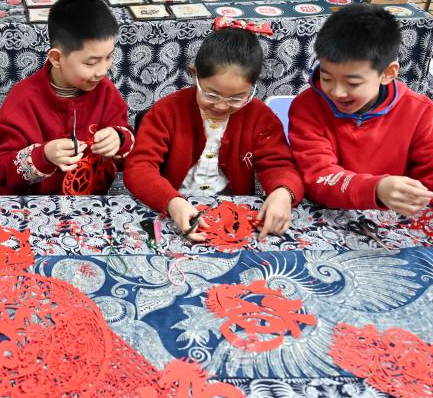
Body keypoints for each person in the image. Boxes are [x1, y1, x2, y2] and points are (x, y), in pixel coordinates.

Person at [289, 5, 433, 215]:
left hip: (396, 222)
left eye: (352, 83)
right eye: (327, 78)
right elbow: (319, 176)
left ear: (388, 73)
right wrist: (376, 189)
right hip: (327, 215)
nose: (337, 92)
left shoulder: (419, 112)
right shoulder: (307, 107)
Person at [124, 19, 304, 240]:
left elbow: (279, 164)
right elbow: (139, 168)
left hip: (232, 215)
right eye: (211, 94)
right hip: (175, 208)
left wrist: (283, 192)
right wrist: (171, 201)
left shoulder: (260, 117)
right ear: (195, 76)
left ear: (253, 87)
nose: (221, 106)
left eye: (237, 98)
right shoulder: (167, 111)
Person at [0, 0, 134, 195]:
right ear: (57, 58)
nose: (102, 70)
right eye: (91, 63)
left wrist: (119, 138)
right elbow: (1, 169)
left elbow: (127, 139)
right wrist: (44, 156)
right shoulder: (23, 100)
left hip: (88, 203)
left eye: (109, 57)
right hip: (31, 205)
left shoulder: (105, 91)